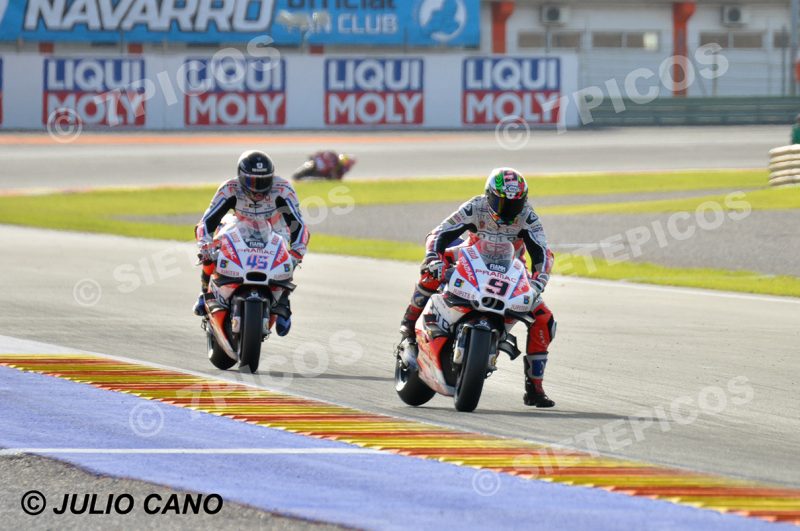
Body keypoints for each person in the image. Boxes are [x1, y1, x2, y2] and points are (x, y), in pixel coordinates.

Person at [399, 168, 557, 407]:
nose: (507, 210)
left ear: (523, 201)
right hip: (468, 258)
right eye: (501, 202)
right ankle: (409, 327)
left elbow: (543, 253)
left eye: (514, 204)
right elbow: (440, 232)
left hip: (511, 269)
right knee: (430, 273)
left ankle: (534, 387)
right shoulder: (476, 207)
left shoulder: (528, 216)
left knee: (544, 318)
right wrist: (433, 257)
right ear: (489, 195)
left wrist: (538, 282)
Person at [193, 150, 309, 337]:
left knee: (287, 257)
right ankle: (203, 293)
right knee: (212, 246)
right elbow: (207, 221)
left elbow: (299, 224)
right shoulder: (229, 188)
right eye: (253, 181)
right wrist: (204, 246)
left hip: (274, 228)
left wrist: (297, 253)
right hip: (238, 226)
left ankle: (283, 300)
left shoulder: (283, 188)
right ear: (241, 176)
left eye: (263, 181)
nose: (258, 188)